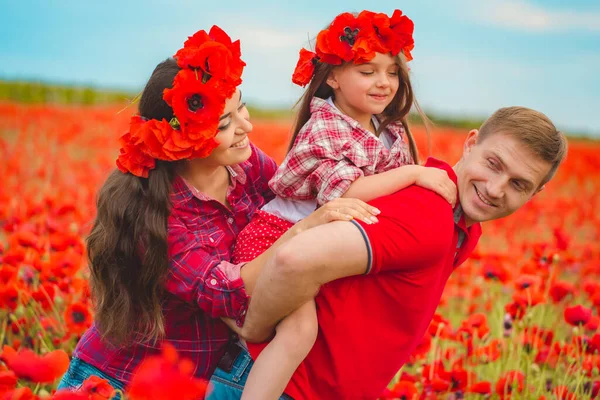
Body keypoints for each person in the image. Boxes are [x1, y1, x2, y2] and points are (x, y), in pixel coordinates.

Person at [56, 26, 377, 397]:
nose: (247, 126)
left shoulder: (248, 167)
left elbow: (289, 205)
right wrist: (302, 232)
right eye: (225, 123)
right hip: (118, 383)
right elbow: (228, 292)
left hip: (191, 382)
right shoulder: (156, 213)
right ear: (182, 139)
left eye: (240, 105)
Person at [238, 106, 568, 399]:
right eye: (493, 164)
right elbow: (294, 258)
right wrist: (253, 329)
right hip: (279, 386)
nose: (496, 189)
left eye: (518, 184)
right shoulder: (428, 215)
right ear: (470, 144)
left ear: (536, 192)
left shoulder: (460, 223)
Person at [218, 10, 457, 400]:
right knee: (300, 333)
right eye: (367, 71)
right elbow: (342, 192)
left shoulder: (387, 131)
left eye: (392, 72)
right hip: (277, 241)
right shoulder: (325, 125)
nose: (384, 83)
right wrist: (415, 174)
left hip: (318, 243)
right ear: (332, 76)